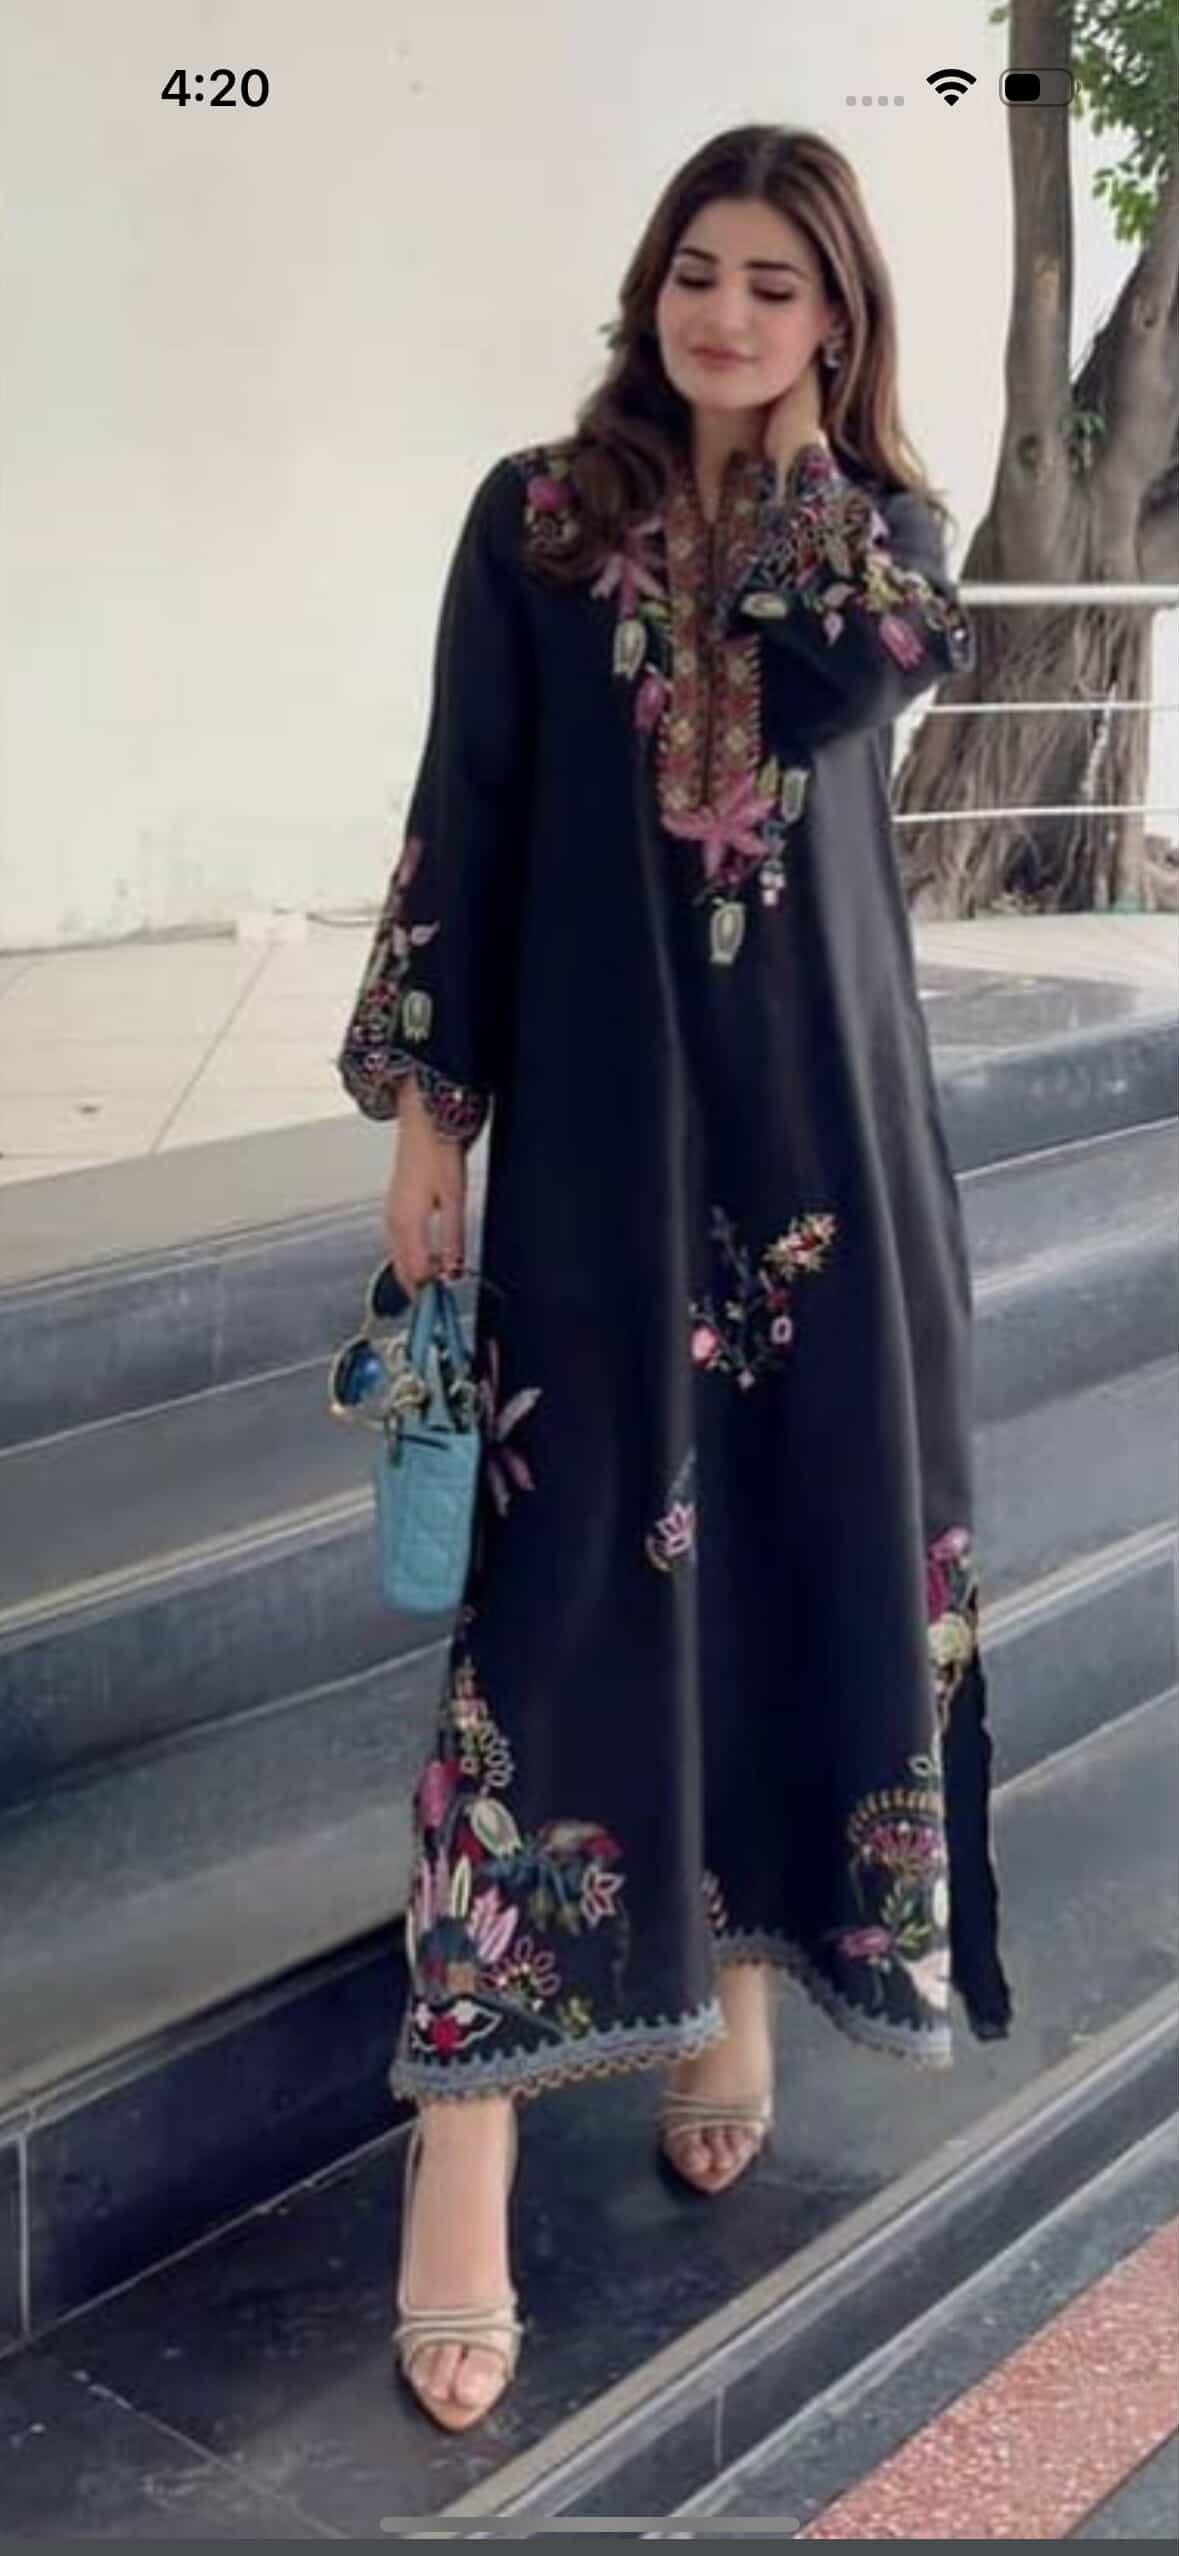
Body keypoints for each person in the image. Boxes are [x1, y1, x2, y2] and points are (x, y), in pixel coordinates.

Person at [336, 122, 1013, 2434]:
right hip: (607, 1172)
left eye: (770, 285)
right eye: (693, 274)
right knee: (552, 1608)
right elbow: (466, 810)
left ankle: (730, 1983)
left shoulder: (877, 536)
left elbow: (851, 679)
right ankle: (461, 2137)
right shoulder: (535, 519)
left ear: (836, 317)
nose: (718, 315)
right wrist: (431, 1116)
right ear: (647, 287)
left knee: (794, 1563)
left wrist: (795, 464)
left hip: (830, 1157)